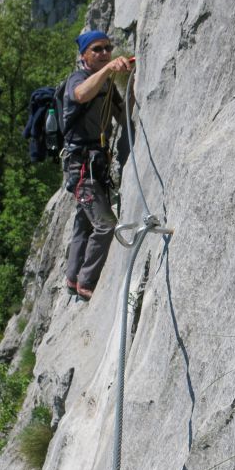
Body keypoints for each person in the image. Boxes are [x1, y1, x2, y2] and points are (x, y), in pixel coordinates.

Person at [61, 30, 134, 300]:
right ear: (84, 56)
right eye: (97, 50)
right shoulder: (77, 79)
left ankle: (71, 278)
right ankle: (86, 283)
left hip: (96, 164)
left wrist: (133, 77)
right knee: (104, 224)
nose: (105, 53)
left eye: (107, 48)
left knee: (83, 222)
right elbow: (80, 95)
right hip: (81, 166)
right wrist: (107, 72)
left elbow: (123, 114)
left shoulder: (106, 84)